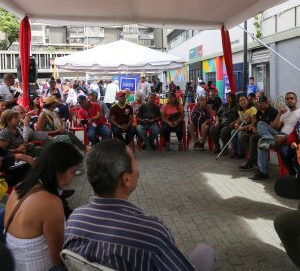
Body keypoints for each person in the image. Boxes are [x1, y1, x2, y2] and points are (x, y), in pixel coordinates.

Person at [64, 139, 215, 271]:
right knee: (205, 251)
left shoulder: (75, 219)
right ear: (126, 179)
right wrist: (165, 248)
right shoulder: (151, 232)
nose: (137, 164)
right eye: (134, 160)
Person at [4, 142, 83, 271]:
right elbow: (58, 258)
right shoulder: (50, 203)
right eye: (72, 172)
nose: (73, 178)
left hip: (14, 263)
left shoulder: (20, 187)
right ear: (58, 170)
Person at [252, 92, 300, 180]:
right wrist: (279, 114)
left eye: (291, 98)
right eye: (287, 99)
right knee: (261, 123)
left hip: (291, 137)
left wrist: (285, 137)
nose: (289, 100)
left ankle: (263, 172)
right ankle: (268, 139)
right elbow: (275, 127)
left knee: (261, 142)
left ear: (296, 100)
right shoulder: (284, 113)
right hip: (278, 134)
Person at [239, 96, 278, 170]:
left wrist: (257, 130)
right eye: (258, 104)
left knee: (253, 138)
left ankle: (250, 162)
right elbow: (254, 122)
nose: (259, 105)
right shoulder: (259, 111)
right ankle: (255, 157)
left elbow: (272, 128)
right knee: (243, 137)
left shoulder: (273, 111)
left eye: (261, 104)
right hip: (259, 133)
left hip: (269, 134)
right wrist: (252, 127)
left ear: (267, 102)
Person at [274, 121, 300, 199]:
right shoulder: (298, 124)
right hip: (297, 146)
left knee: (296, 159)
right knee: (283, 151)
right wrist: (292, 142)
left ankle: (298, 180)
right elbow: (293, 134)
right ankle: (292, 174)